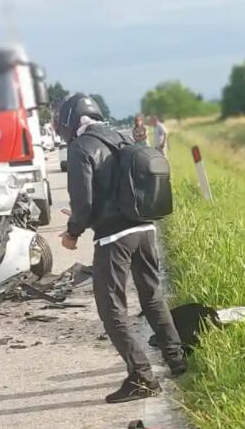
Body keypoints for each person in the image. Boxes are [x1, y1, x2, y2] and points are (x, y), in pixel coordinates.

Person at [55, 93, 187, 404]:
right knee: (152, 296)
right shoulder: (122, 137)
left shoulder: (80, 148)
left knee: (112, 309)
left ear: (70, 121)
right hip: (144, 229)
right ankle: (177, 359)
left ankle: (142, 376)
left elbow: (84, 204)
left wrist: (72, 232)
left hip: (114, 238)